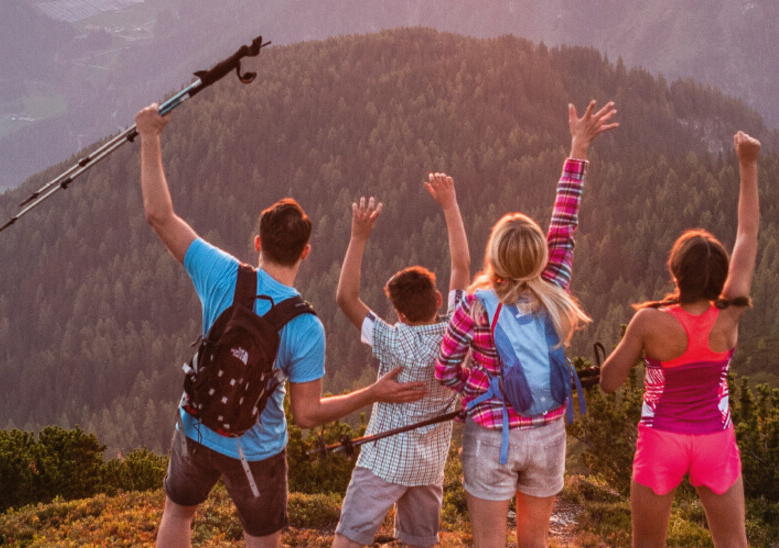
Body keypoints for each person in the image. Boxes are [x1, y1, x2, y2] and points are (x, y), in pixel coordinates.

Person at [135, 104, 432, 548]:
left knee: (179, 513)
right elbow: (308, 415)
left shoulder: (220, 272)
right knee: (262, 538)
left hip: (196, 425)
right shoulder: (306, 326)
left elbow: (159, 215)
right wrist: (371, 393)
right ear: (306, 252)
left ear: (258, 243)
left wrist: (151, 137)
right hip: (257, 451)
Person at [437, 100, 617, 548]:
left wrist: (476, 392)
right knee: (534, 543)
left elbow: (444, 369)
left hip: (492, 437)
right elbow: (564, 222)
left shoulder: (475, 305)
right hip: (548, 432)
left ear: (494, 255)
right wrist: (578, 149)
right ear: (540, 256)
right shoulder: (554, 288)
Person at [597, 131, 761, 548]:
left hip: (660, 439)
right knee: (733, 543)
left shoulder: (649, 321)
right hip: (715, 439)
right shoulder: (730, 314)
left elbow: (609, 381)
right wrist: (747, 164)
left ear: (675, 271)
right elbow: (747, 235)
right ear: (721, 277)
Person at [330, 173, 471, 548]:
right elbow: (461, 266)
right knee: (421, 543)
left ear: (400, 314)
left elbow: (346, 298)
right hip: (428, 467)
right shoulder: (457, 336)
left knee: (349, 538)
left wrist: (359, 237)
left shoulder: (394, 340)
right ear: (439, 300)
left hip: (383, 462)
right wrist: (449, 204)